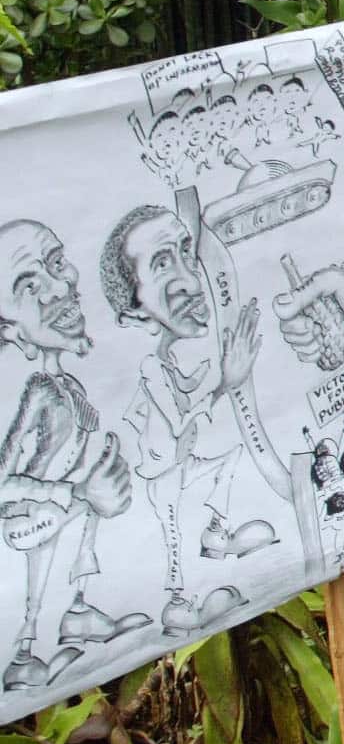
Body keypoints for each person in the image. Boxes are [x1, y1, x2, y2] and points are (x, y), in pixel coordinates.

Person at [101, 205, 278, 636]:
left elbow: (190, 395)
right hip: (164, 471)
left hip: (182, 460)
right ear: (135, 312)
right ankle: (179, 600)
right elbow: (178, 428)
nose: (190, 277)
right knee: (173, 537)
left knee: (230, 460)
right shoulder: (149, 368)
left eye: (186, 250)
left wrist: (218, 376)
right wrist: (226, 382)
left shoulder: (171, 361)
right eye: (162, 264)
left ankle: (218, 533)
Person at [0, 223, 145, 691]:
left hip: (67, 512)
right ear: (9, 328)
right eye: (30, 286)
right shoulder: (40, 390)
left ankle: (77, 610)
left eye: (58, 263)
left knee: (90, 508)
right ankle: (25, 649)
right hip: (33, 520)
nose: (61, 288)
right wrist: (71, 493)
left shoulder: (67, 385)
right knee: (43, 564)